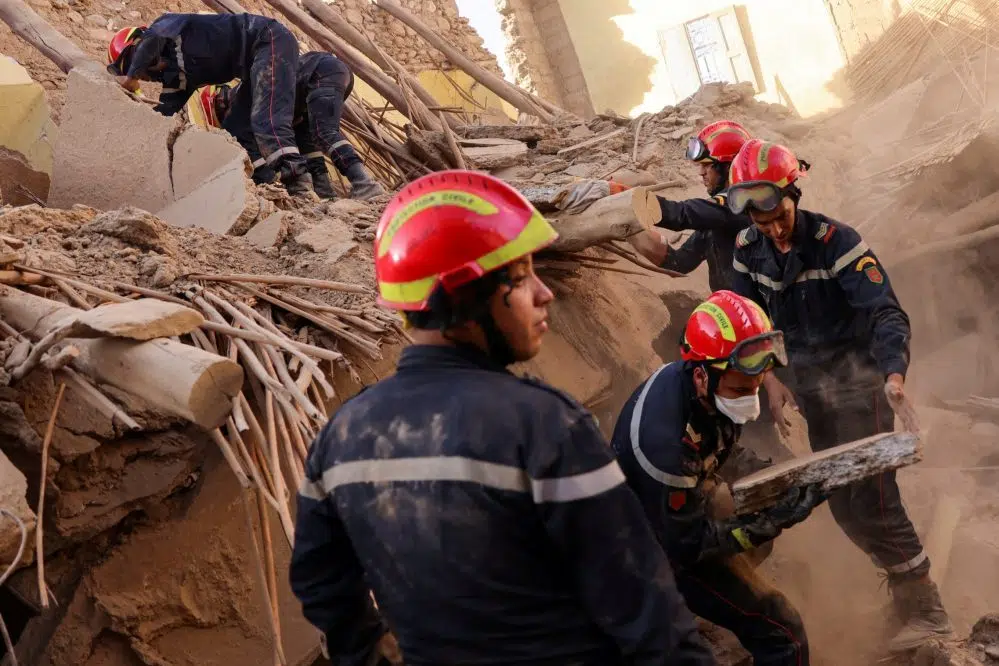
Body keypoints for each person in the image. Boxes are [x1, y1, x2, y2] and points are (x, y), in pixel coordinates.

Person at [289, 170, 716, 666]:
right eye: (519, 277)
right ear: (464, 297)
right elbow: (647, 612)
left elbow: (321, 584)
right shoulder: (544, 426)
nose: (543, 292)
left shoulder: (340, 438)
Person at [726, 139, 954, 652]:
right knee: (843, 506)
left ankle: (929, 611)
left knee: (874, 500)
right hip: (813, 393)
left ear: (794, 195)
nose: (773, 229)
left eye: (780, 216)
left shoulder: (838, 242)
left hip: (861, 386)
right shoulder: (747, 249)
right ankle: (904, 597)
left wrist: (894, 375)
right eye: (762, 222)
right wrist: (771, 377)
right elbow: (751, 322)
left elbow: (885, 312)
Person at [611, 289, 824, 666]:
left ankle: (712, 607)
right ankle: (680, 607)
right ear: (701, 376)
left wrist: (773, 477)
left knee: (755, 532)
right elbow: (688, 546)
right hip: (658, 551)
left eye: (755, 386)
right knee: (784, 632)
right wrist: (771, 520)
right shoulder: (666, 446)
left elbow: (721, 444)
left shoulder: (701, 385)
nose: (750, 400)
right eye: (740, 390)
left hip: (677, 515)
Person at [630, 120, 791, 475]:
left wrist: (633, 201)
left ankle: (775, 476)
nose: (701, 173)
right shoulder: (716, 221)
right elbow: (678, 262)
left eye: (707, 166)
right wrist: (628, 228)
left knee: (759, 424)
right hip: (730, 337)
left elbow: (683, 214)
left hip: (758, 334)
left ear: (728, 167)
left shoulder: (738, 210)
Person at [106, 15, 314, 195]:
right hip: (253, 65)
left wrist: (130, 76)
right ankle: (268, 182)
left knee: (266, 118)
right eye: (144, 76)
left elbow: (154, 37)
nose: (146, 77)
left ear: (138, 46)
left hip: (268, 40)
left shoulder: (167, 25)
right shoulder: (177, 79)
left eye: (140, 68)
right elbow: (162, 116)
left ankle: (299, 184)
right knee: (236, 129)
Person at [199, 51, 385, 200]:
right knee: (310, 135)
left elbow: (244, 139)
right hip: (331, 75)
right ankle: (325, 192)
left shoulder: (242, 106)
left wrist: (271, 182)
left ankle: (365, 185)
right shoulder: (270, 97)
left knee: (325, 132)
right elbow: (306, 146)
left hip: (318, 74)